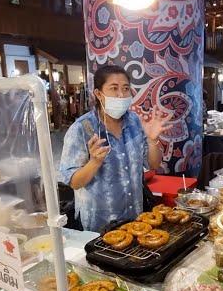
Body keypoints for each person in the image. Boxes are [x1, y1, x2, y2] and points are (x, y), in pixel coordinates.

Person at [58, 65, 174, 233]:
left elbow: (153, 165)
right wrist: (94, 162)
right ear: (98, 94)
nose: (121, 94)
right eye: (114, 88)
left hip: (135, 216)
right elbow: (74, 182)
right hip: (99, 224)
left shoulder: (134, 121)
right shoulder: (82, 129)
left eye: (126, 88)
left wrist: (152, 139)